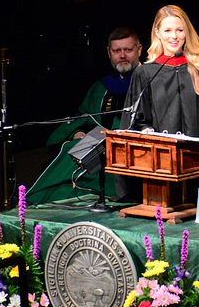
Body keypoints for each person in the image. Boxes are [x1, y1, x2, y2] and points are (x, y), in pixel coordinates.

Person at [27, 27, 142, 204]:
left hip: (131, 146)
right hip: (98, 142)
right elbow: (82, 116)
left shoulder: (150, 82)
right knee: (71, 152)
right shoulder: (101, 87)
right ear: (109, 53)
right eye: (117, 51)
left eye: (128, 50)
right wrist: (76, 132)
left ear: (139, 50)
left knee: (84, 178)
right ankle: (33, 205)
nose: (122, 55)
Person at [121, 5, 199, 156]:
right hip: (162, 160)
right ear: (158, 33)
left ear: (187, 31)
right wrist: (145, 130)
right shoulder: (146, 73)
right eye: (167, 30)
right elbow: (136, 120)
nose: (174, 36)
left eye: (179, 30)